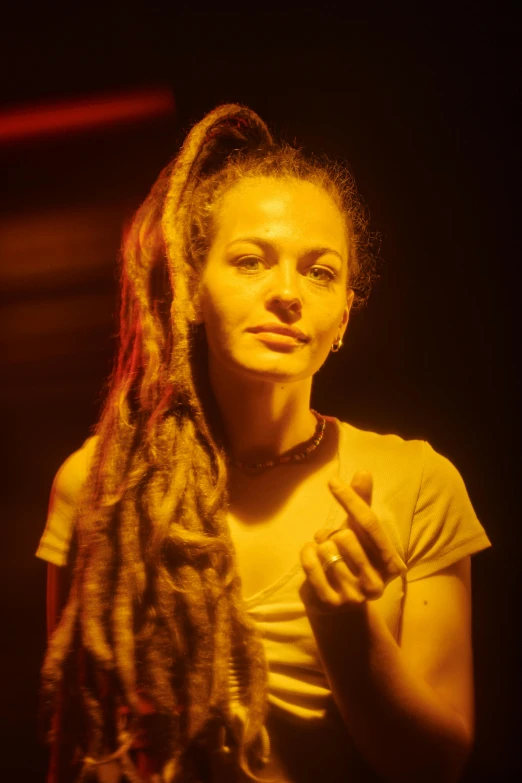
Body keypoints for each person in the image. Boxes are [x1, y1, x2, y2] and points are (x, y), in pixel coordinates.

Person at [36, 103, 492, 783]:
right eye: (251, 260)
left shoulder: (418, 482)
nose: (287, 293)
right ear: (191, 290)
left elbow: (435, 762)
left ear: (343, 313)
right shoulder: (102, 483)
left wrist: (348, 631)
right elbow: (74, 743)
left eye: (319, 270)